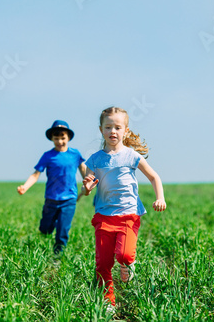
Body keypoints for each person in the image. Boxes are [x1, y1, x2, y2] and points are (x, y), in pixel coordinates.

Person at [83, 106, 166, 308]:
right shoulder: (94, 159)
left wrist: (160, 197)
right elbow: (88, 185)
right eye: (108, 127)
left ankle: (127, 267)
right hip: (104, 215)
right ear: (101, 129)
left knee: (125, 256)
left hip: (128, 214)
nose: (113, 131)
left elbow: (154, 177)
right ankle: (108, 302)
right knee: (102, 264)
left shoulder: (131, 156)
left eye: (118, 127)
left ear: (125, 131)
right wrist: (87, 186)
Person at [17, 120, 86, 255]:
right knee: (45, 228)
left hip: (69, 198)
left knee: (63, 230)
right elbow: (36, 174)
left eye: (63, 138)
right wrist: (25, 187)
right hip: (51, 198)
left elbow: (84, 170)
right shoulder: (48, 156)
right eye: (56, 138)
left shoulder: (75, 154)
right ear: (52, 139)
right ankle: (48, 231)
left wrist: (88, 182)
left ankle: (57, 257)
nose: (60, 141)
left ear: (68, 137)